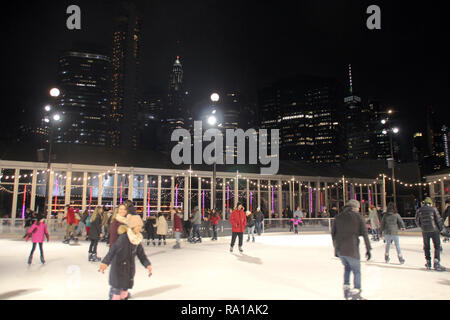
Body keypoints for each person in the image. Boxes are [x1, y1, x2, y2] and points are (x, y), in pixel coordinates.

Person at [99, 215, 152, 300]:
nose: (140, 228)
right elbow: (113, 250)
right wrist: (105, 262)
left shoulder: (137, 238)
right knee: (116, 293)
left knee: (124, 293)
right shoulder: (124, 238)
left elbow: (141, 254)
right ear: (133, 226)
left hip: (128, 269)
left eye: (140, 226)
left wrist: (147, 265)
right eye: (138, 226)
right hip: (119, 268)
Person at [331, 199, 372, 300]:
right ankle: (356, 292)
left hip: (340, 250)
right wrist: (368, 249)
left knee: (347, 268)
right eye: (358, 208)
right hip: (351, 249)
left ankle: (346, 290)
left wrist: (336, 249)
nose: (359, 209)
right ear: (355, 207)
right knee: (356, 271)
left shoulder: (338, 217)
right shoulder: (358, 217)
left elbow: (333, 234)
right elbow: (365, 234)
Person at [415, 197, 446, 271]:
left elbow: (417, 221)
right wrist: (441, 229)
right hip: (434, 230)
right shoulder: (433, 209)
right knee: (437, 246)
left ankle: (428, 262)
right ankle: (436, 262)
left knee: (426, 246)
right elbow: (438, 220)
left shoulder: (419, 210)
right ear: (430, 203)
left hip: (425, 231)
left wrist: (422, 226)